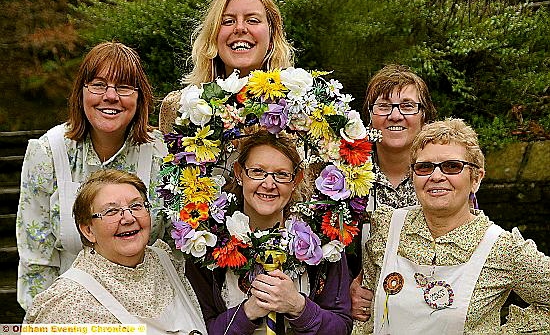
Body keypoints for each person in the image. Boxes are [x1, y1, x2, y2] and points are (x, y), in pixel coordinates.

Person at [357, 118, 550, 334]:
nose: (436, 176)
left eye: (452, 166)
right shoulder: (388, 228)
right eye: (424, 167)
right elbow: (366, 316)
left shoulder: (501, 248)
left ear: (476, 178)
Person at [16, 41, 168, 310]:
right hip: (68, 311)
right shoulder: (49, 153)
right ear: (81, 93)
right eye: (98, 85)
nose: (110, 96)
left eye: (123, 87)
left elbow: (175, 253)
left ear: (140, 97)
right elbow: (36, 260)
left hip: (149, 312)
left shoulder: (162, 155)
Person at [184, 130, 353, 335]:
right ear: (239, 173)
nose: (269, 184)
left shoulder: (323, 245)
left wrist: (298, 306)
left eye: (282, 175)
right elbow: (197, 327)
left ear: (296, 180)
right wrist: (248, 312)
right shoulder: (207, 245)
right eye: (257, 171)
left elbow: (341, 327)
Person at [24, 170, 207, 334]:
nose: (128, 218)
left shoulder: (168, 263)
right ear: (88, 230)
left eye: (136, 206)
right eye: (111, 211)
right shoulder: (67, 303)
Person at [350, 64, 437, 322]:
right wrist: (344, 292)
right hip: (364, 318)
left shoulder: (445, 177)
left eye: (408, 106)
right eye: (384, 106)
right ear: (369, 118)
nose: (395, 116)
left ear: (425, 117)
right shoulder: (344, 178)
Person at [159, 0, 294, 134]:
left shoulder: (299, 108)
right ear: (213, 39)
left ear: (271, 39)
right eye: (228, 21)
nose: (240, 28)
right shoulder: (179, 107)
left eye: (253, 20)